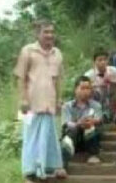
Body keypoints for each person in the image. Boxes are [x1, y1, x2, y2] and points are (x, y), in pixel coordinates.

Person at [14, 20, 67, 182]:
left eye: (52, 32)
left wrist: (59, 99)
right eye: (46, 32)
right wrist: (23, 98)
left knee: (50, 135)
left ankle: (50, 168)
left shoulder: (57, 53)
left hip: (49, 102)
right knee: (32, 137)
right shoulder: (28, 51)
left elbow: (58, 79)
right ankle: (30, 172)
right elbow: (20, 77)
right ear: (37, 34)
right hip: (32, 103)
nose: (49, 35)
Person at [61, 76, 102, 168]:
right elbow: (66, 122)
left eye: (88, 88)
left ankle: (93, 155)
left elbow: (98, 118)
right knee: (71, 130)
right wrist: (78, 124)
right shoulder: (67, 106)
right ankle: (63, 164)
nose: (85, 91)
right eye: (82, 88)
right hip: (74, 139)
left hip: (89, 139)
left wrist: (92, 121)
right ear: (76, 89)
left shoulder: (96, 105)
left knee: (90, 126)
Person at [84, 49, 116, 121]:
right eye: (100, 60)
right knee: (89, 92)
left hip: (111, 98)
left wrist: (113, 81)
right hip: (96, 99)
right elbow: (82, 87)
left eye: (105, 60)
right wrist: (97, 85)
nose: (103, 62)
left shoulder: (113, 70)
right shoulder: (89, 74)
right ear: (94, 62)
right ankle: (94, 116)